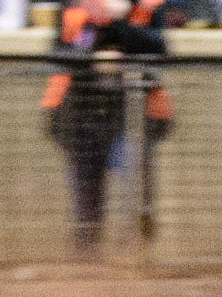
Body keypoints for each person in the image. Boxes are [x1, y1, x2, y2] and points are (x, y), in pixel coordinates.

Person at [41, 0, 182, 253]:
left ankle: (136, 261)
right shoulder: (75, 9)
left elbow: (159, 49)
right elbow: (61, 54)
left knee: (136, 188)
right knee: (86, 198)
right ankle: (86, 262)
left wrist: (118, 24)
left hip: (132, 117)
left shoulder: (147, 7)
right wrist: (93, 28)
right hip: (82, 114)